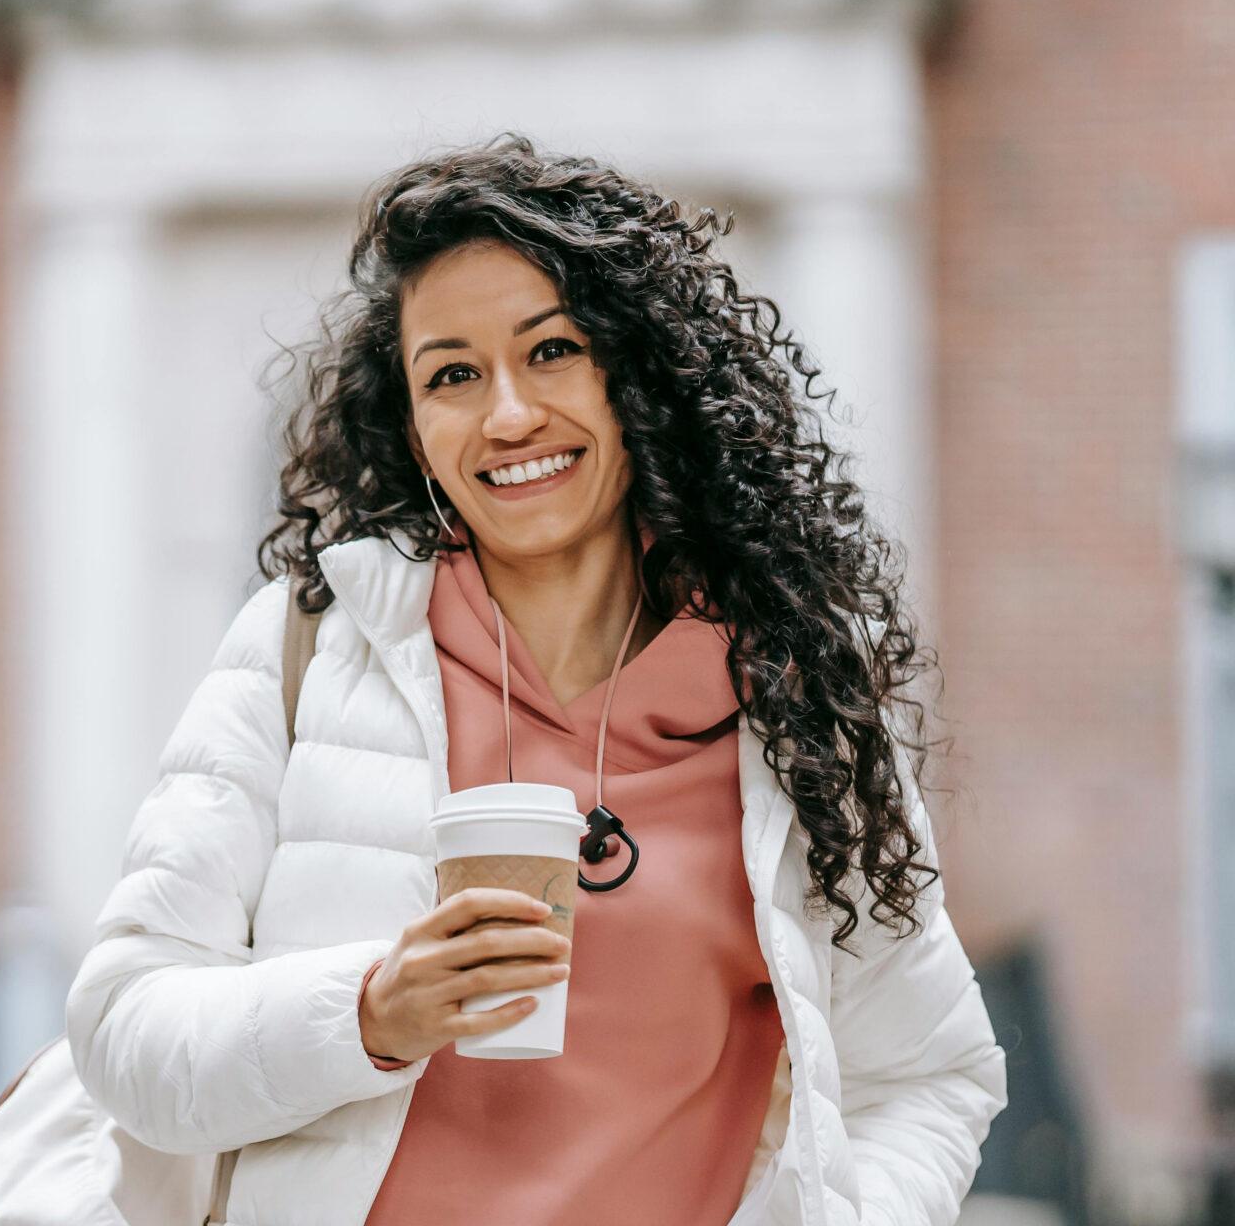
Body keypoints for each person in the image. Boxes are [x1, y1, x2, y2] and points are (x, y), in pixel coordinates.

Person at [63, 133, 1005, 1226]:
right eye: (452, 373)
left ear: (636, 376)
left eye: (551, 351)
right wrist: (368, 1013)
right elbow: (122, 1031)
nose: (507, 415)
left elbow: (928, 1075)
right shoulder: (308, 647)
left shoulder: (794, 694)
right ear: (414, 428)